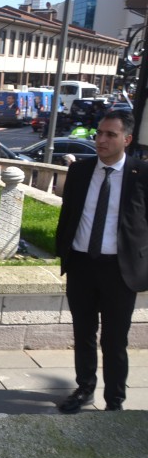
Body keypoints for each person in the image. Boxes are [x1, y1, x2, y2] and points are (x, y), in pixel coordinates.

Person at [55, 109, 148, 413]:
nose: (102, 140)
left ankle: (115, 402)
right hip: (81, 264)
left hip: (119, 270)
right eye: (100, 133)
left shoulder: (142, 174)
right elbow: (68, 214)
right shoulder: (80, 171)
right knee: (83, 333)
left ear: (127, 139)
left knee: (114, 340)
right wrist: (63, 251)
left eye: (111, 135)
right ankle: (84, 389)